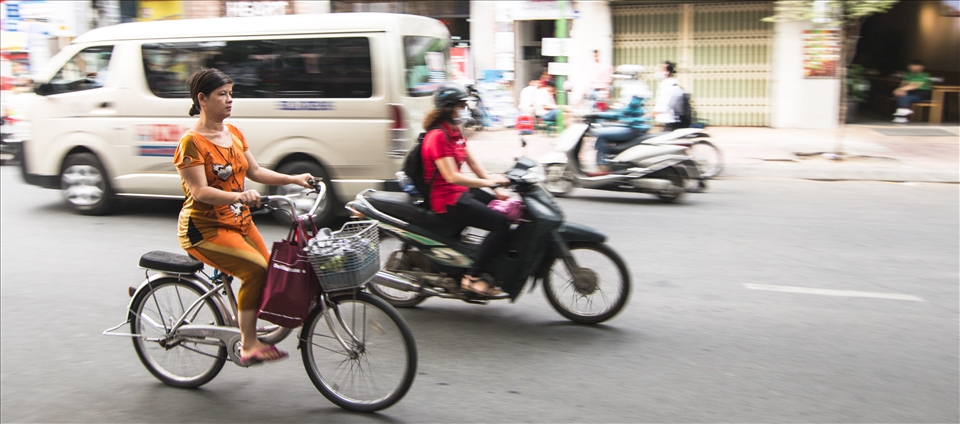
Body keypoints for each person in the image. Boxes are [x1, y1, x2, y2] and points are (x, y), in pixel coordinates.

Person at [174, 68, 314, 366]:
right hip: (205, 229)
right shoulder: (191, 143)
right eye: (222, 94)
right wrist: (239, 196)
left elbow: (256, 172)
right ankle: (249, 343)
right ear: (202, 99)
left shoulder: (234, 133)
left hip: (239, 222)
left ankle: (250, 321)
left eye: (231, 93)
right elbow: (199, 192)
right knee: (255, 271)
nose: (229, 100)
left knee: (273, 269)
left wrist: (294, 178)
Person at [421, 82, 512, 296]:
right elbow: (451, 176)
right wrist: (489, 183)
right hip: (445, 200)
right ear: (448, 108)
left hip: (459, 193)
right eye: (460, 105)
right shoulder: (437, 136)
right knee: (500, 224)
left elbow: (472, 162)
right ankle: (472, 277)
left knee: (502, 209)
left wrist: (495, 186)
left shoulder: (454, 131)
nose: (464, 109)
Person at [643, 61, 685, 132]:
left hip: (672, 125)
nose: (657, 72)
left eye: (660, 70)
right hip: (669, 124)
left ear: (667, 72)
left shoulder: (670, 87)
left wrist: (643, 117)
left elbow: (662, 108)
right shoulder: (667, 86)